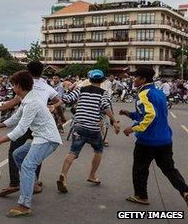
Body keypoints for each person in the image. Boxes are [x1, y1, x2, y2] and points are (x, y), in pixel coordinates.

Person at [0, 70, 62, 217]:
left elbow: (20, 129)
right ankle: (33, 184)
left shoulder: (32, 102)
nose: (12, 88)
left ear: (19, 86)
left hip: (47, 139)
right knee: (18, 154)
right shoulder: (27, 99)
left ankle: (25, 205)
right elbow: (16, 118)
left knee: (28, 166)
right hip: (40, 137)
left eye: (13, 85)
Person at [119, 67, 188, 206]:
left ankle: (141, 196)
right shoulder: (159, 92)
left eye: (136, 77)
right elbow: (148, 113)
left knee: (140, 169)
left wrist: (132, 129)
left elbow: (151, 115)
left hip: (147, 141)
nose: (134, 79)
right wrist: (129, 114)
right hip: (165, 140)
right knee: (169, 169)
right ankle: (185, 191)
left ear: (143, 79)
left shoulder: (144, 94)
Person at [55, 69, 120, 193]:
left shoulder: (81, 90)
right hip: (93, 128)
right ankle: (92, 175)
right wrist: (115, 121)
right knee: (98, 150)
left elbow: (67, 99)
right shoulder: (103, 93)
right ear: (102, 81)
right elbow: (106, 107)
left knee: (73, 152)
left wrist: (55, 105)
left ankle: (63, 175)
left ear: (89, 80)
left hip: (78, 126)